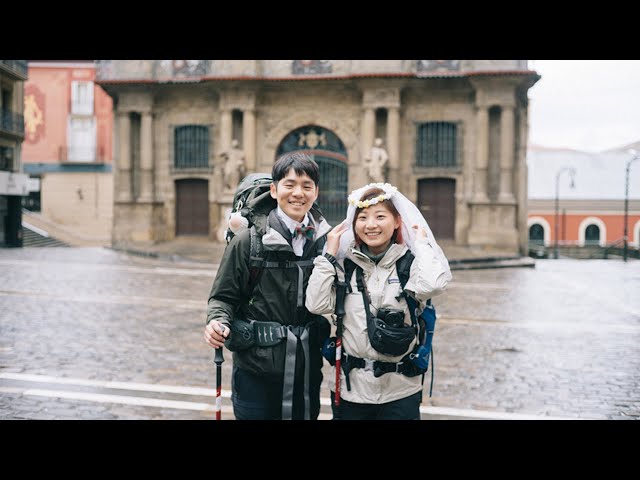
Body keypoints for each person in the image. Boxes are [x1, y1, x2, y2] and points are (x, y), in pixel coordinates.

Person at [305, 182, 452, 420]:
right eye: (362, 218)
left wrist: (422, 244)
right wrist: (329, 255)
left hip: (401, 390)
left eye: (380, 216)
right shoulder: (344, 266)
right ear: (354, 225)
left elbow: (433, 284)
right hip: (351, 391)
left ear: (396, 222)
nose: (371, 225)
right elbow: (316, 303)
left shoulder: (410, 264)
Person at [204, 152, 332, 420]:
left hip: (305, 370)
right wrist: (217, 321)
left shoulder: (325, 242)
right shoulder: (248, 242)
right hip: (254, 370)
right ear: (274, 190)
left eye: (306, 186)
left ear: (316, 193)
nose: (298, 193)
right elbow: (222, 298)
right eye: (290, 184)